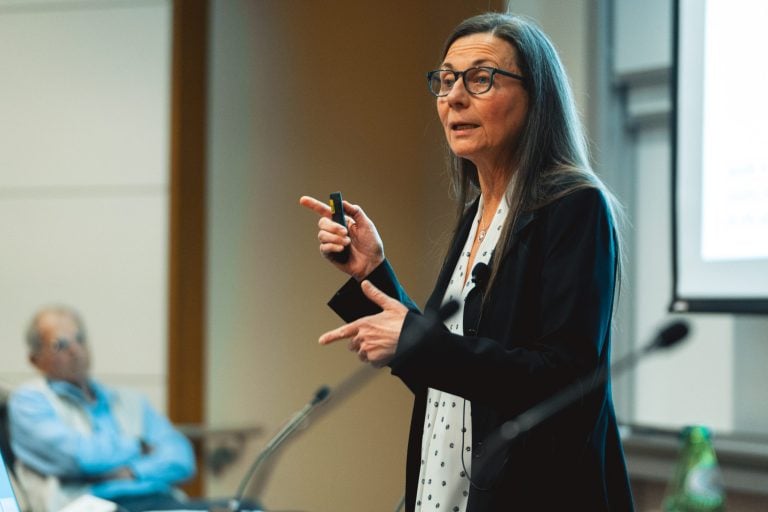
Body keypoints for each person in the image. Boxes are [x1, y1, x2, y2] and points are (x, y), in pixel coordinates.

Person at [300, 12, 634, 512]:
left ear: (536, 96)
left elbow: (567, 381)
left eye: (481, 79)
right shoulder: (480, 212)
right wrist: (371, 272)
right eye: (446, 80)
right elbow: (444, 374)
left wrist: (414, 340)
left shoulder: (573, 207)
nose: (454, 97)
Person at [8, 305, 198, 512]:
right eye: (60, 344)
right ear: (35, 359)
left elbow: (182, 457)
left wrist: (133, 471)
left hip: (160, 499)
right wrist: (139, 447)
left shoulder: (129, 400)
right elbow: (79, 458)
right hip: (91, 504)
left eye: (80, 339)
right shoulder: (29, 400)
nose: (75, 350)